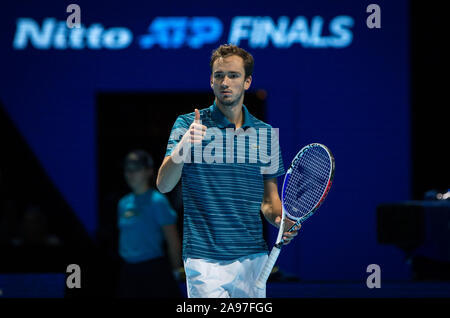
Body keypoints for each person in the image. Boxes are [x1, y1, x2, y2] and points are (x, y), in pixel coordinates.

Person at [156, 44, 301, 298]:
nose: (225, 82)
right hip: (204, 259)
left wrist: (280, 220)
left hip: (252, 258)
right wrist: (184, 145)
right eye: (219, 75)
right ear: (211, 80)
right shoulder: (187, 124)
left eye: (233, 75)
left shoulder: (266, 134)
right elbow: (164, 185)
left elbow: (269, 201)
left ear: (247, 82)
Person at [117, 150, 182, 298]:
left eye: (136, 168)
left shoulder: (158, 201)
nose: (130, 173)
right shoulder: (123, 203)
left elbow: (173, 241)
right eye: (128, 169)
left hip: (153, 271)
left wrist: (176, 270)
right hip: (128, 272)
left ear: (148, 171)